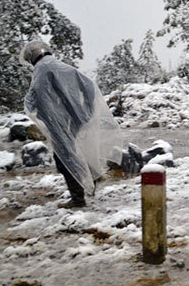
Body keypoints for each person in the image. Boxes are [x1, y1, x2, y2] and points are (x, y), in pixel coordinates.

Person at [20, 40, 124, 208]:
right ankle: (92, 177)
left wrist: (45, 116)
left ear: (32, 57)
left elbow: (34, 100)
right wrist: (87, 111)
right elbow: (89, 85)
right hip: (76, 120)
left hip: (59, 123)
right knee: (78, 150)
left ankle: (78, 197)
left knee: (64, 158)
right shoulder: (61, 65)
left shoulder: (41, 70)